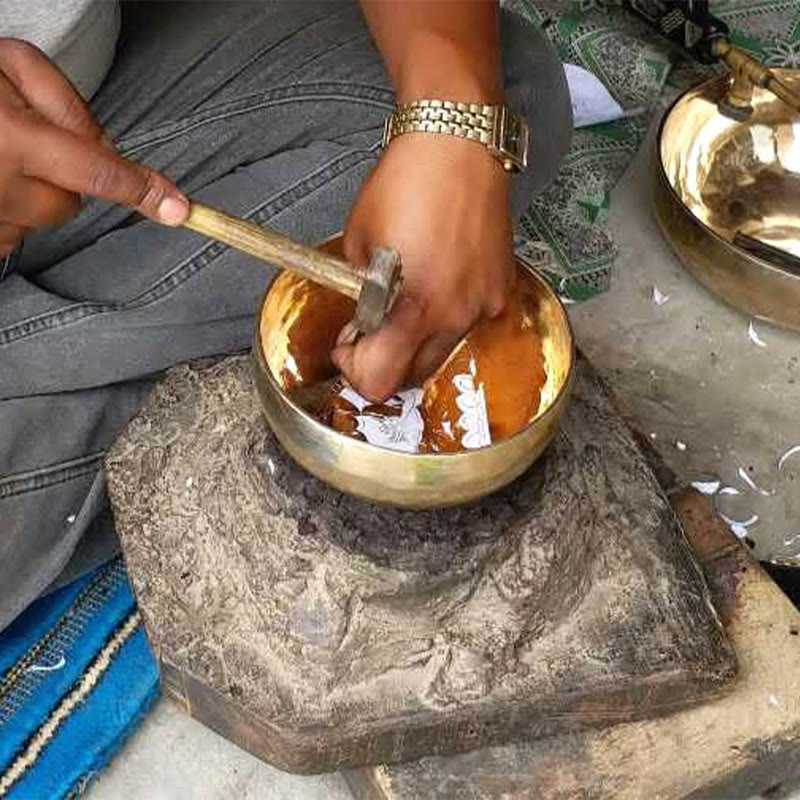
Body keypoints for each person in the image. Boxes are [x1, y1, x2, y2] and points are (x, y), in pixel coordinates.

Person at [0, 0, 572, 632]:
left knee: (502, 98)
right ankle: (123, 380)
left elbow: (455, 96)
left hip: (83, 115)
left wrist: (450, 124)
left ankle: (92, 376)